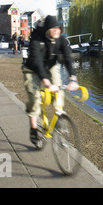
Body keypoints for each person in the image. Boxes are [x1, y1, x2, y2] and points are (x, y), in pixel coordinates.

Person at [22, 15, 79, 146]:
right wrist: (47, 82)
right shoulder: (37, 39)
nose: (57, 31)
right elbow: (36, 61)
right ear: (47, 29)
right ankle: (33, 129)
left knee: (59, 92)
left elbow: (68, 58)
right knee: (34, 98)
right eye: (53, 29)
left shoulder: (61, 40)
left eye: (58, 29)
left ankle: (58, 117)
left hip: (50, 66)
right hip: (32, 69)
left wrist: (73, 78)